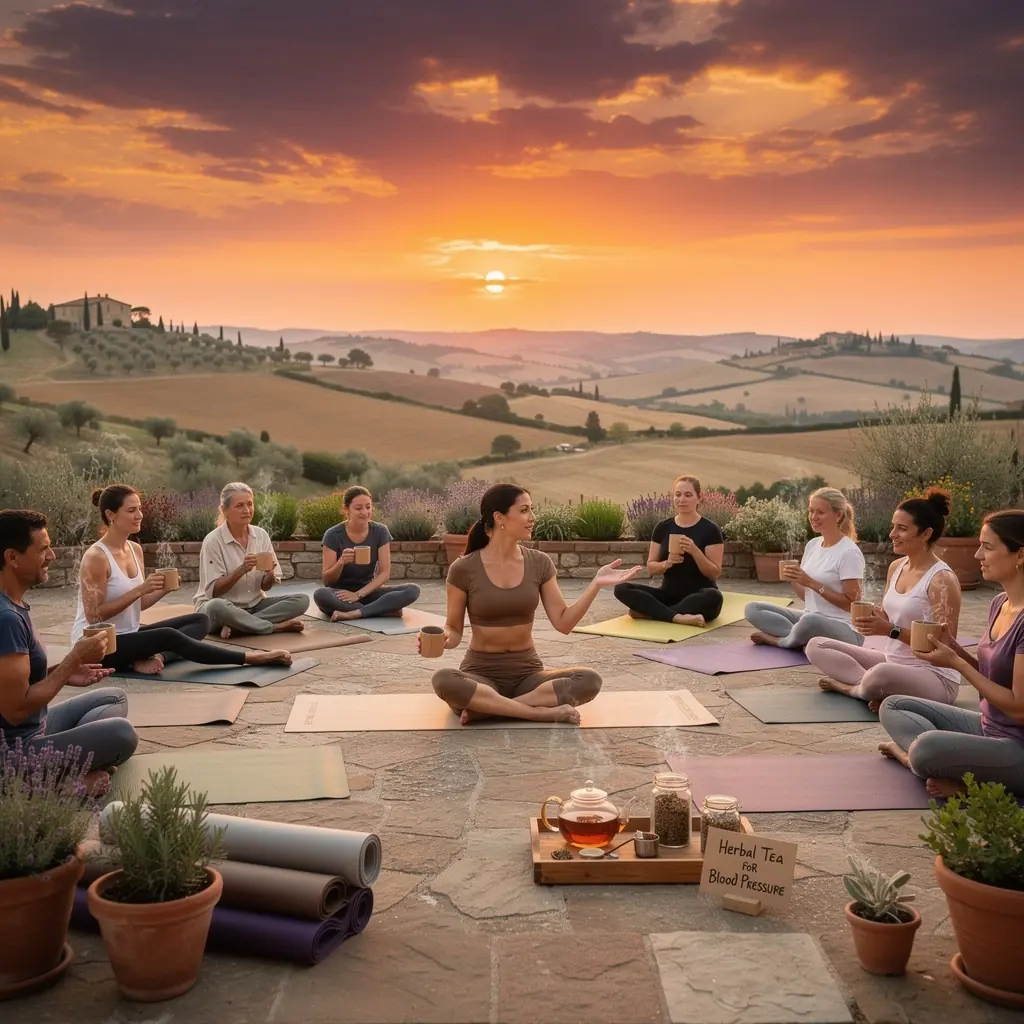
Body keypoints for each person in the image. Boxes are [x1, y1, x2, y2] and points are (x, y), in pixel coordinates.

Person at [430, 483, 642, 726]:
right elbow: (454, 629)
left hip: (528, 675)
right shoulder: (464, 568)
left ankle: (489, 709)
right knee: (444, 679)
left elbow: (563, 622)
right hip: (480, 673)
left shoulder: (539, 563)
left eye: (531, 509)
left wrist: (595, 585)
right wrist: (444, 637)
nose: (533, 517)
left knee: (589, 680)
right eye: (524, 510)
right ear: (499, 518)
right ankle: (538, 712)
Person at [879, 509, 1024, 797]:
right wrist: (955, 650)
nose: (977, 555)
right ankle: (948, 766)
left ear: (1020, 555)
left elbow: (1018, 707)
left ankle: (931, 768)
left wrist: (956, 662)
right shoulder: (999, 603)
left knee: (925, 749)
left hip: (1017, 746)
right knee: (893, 706)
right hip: (987, 726)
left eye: (988, 547)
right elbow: (991, 679)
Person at [75, 484, 291, 674]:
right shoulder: (96, 557)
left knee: (199, 620)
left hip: (129, 634)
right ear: (111, 515)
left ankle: (153, 657)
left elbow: (137, 606)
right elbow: (94, 617)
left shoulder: (134, 549)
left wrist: (162, 589)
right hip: (100, 646)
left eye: (140, 509)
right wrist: (141, 589)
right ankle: (249, 659)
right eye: (131, 510)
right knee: (168, 635)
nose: (139, 515)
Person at [1, 508, 137, 795]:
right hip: (13, 752)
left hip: (34, 728)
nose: (52, 556)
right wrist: (74, 657)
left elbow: (13, 683)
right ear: (12, 558)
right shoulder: (6, 618)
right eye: (43, 549)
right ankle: (49, 784)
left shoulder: (13, 605)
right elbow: (15, 710)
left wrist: (63, 671)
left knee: (113, 697)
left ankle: (70, 763)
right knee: (121, 734)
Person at [806, 489, 962, 710]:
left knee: (880, 673)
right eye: (893, 526)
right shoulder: (896, 567)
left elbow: (946, 645)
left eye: (902, 528)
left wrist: (890, 629)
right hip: (892, 661)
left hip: (933, 675)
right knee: (816, 645)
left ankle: (852, 689)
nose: (892, 534)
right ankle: (873, 688)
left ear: (926, 534)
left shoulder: (941, 580)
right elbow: (889, 617)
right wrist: (873, 617)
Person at [746, 487, 865, 649]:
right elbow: (807, 597)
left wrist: (810, 582)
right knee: (753, 608)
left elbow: (852, 604)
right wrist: (795, 579)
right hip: (810, 618)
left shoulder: (849, 552)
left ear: (838, 515)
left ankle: (781, 641)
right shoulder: (813, 545)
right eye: (811, 511)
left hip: (844, 628)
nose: (813, 517)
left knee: (809, 621)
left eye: (820, 512)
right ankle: (799, 638)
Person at [196, 482, 309, 638]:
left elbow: (266, 586)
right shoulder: (213, 541)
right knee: (216, 606)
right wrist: (242, 569)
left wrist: (270, 573)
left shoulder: (260, 535)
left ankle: (239, 627)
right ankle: (275, 627)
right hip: (221, 609)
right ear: (225, 510)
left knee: (302, 600)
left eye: (250, 504)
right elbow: (214, 591)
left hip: (255, 605)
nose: (247, 510)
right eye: (240, 505)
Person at [613, 475, 724, 626]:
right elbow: (651, 566)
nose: (681, 499)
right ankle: (678, 617)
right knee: (621, 588)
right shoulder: (663, 527)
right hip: (668, 594)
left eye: (688, 495)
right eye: (677, 495)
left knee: (714, 597)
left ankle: (653, 613)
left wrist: (695, 551)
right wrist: (666, 563)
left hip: (699, 595)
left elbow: (714, 573)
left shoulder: (710, 530)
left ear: (698, 498)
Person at [312, 486, 421, 621]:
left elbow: (384, 573)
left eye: (368, 507)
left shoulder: (380, 531)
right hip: (340, 594)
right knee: (321, 595)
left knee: (412, 590)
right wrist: (341, 562)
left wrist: (358, 594)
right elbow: (327, 581)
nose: (365, 512)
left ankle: (356, 613)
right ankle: (379, 610)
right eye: (358, 508)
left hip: (368, 591)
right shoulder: (333, 535)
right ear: (346, 509)